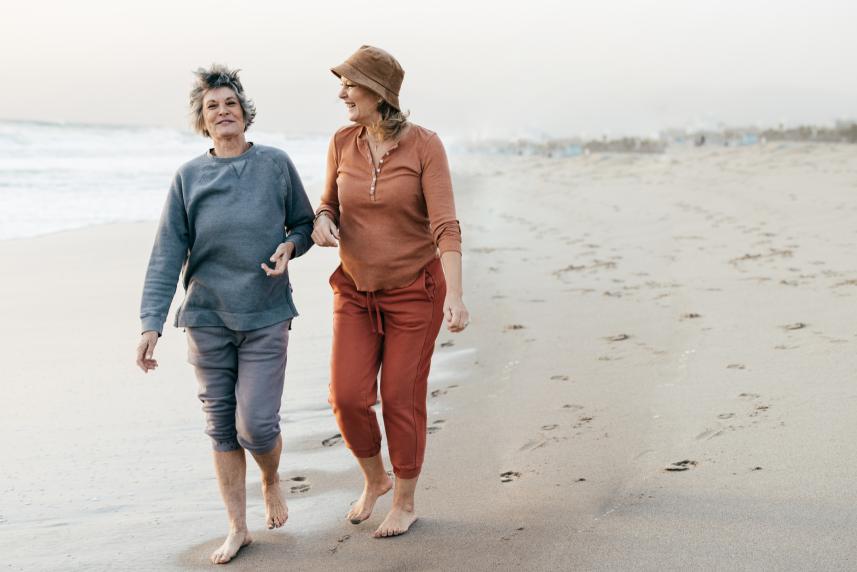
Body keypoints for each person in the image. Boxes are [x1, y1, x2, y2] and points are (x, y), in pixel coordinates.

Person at [135, 64, 314, 564]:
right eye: (212, 106)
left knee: (255, 425)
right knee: (220, 428)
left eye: (230, 102)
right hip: (207, 318)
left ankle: (271, 478)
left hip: (265, 313)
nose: (223, 111)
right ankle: (238, 528)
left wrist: (291, 246)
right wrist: (151, 322)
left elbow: (302, 223)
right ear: (203, 120)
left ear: (244, 112)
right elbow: (167, 252)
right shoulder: (189, 177)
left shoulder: (275, 164)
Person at [312, 45, 470, 538]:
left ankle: (403, 500)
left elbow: (445, 225)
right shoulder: (342, 141)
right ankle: (374, 478)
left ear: (379, 93)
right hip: (355, 291)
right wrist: (322, 221)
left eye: (350, 83)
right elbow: (328, 204)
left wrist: (456, 296)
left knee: (400, 396)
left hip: (413, 292)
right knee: (347, 396)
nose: (342, 92)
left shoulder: (425, 145)